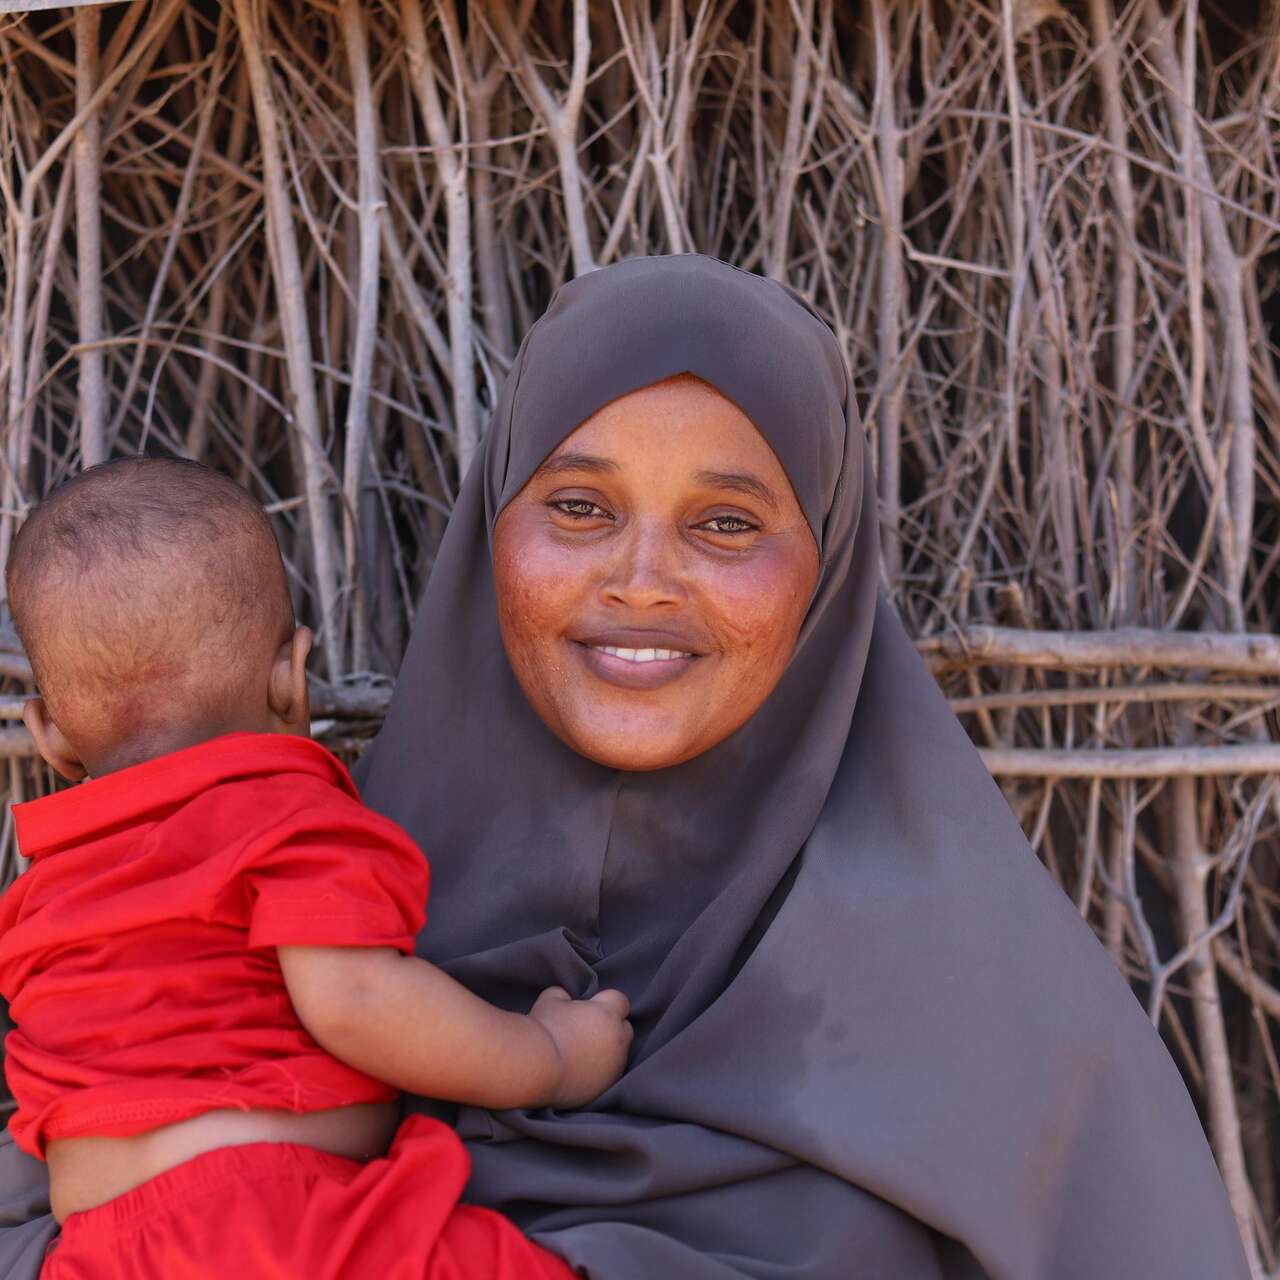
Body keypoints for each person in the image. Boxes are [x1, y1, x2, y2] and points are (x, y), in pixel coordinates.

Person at [0, 254, 1253, 1278]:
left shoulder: (996, 1029)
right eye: (580, 508)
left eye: (724, 522)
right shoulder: (267, 916)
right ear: (493, 526)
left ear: (826, 568)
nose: (641, 577)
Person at [0, 459, 632, 1277]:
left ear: (48, 735)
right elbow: (357, 1000)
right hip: (278, 1221)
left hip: (95, 1250)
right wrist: (548, 1055)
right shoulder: (284, 816)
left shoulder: (37, 896)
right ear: (290, 676)